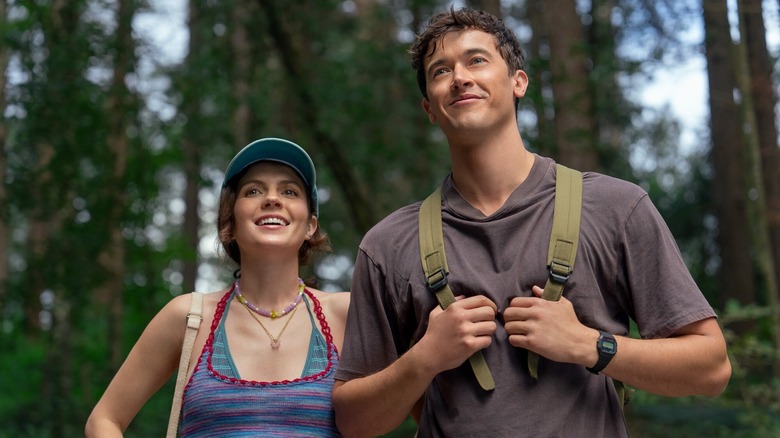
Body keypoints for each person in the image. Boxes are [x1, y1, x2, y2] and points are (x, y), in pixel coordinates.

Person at [332, 7, 731, 438]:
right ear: (429, 107)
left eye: (476, 60)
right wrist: (425, 357)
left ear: (518, 82)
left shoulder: (615, 207)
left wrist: (587, 344)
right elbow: (353, 422)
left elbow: (711, 368)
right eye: (441, 71)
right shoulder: (388, 244)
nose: (460, 77)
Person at [86, 137, 349, 437]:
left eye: (289, 191)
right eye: (253, 191)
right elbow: (104, 419)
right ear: (231, 224)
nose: (272, 199)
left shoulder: (347, 314)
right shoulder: (189, 317)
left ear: (310, 226)